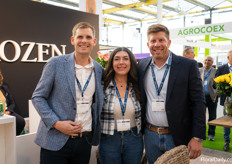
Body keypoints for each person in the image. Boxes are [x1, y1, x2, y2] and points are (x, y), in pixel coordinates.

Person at [32, 22, 104, 164]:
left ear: (94, 41)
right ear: (73, 40)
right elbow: (38, 97)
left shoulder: (99, 69)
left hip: (84, 141)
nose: (84, 41)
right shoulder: (56, 63)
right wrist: (56, 123)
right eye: (80, 37)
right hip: (55, 141)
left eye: (88, 37)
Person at [138, 24, 206, 163]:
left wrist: (197, 137)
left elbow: (198, 102)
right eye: (153, 41)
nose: (157, 44)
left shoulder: (187, 66)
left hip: (177, 136)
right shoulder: (142, 65)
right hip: (150, 135)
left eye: (161, 40)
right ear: (148, 44)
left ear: (168, 42)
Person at [99, 47, 143, 164]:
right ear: (112, 62)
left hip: (134, 137)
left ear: (131, 62)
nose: (121, 62)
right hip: (109, 138)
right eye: (117, 59)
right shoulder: (103, 85)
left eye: (125, 59)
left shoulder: (138, 85)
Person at [215, 50, 232, 151]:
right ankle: (227, 142)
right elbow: (215, 84)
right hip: (227, 100)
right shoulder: (222, 68)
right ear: (228, 57)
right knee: (226, 122)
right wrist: (223, 87)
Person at [0, 70, 25, 135]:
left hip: (6, 112)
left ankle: (12, 138)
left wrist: (8, 111)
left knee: (20, 121)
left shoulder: (4, 88)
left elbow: (12, 103)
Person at [199, 56, 218, 141]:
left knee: (212, 116)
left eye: (209, 60)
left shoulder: (215, 71)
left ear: (212, 62)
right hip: (200, 98)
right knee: (201, 117)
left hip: (212, 97)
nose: (207, 62)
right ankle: (201, 135)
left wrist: (216, 92)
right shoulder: (199, 70)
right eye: (206, 60)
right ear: (203, 61)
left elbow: (218, 83)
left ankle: (211, 134)